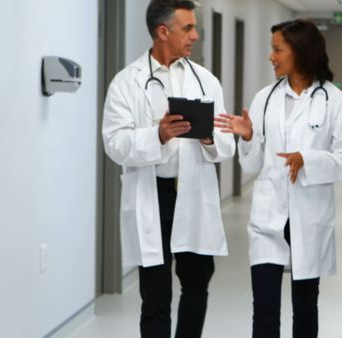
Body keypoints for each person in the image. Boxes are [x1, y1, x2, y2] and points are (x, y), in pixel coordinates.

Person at [101, 1, 235, 337]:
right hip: (153, 197)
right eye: (188, 28)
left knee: (196, 286)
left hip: (192, 194)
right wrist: (157, 135)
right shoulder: (126, 82)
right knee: (155, 295)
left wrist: (208, 138)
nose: (196, 35)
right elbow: (114, 144)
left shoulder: (206, 82)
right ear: (163, 31)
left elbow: (227, 145)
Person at [214, 19, 342, 338]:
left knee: (305, 309)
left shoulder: (334, 101)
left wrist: (308, 160)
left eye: (277, 49)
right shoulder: (265, 98)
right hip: (268, 219)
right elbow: (251, 166)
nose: (271, 56)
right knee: (264, 310)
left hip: (308, 217)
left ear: (300, 52)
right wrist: (248, 137)